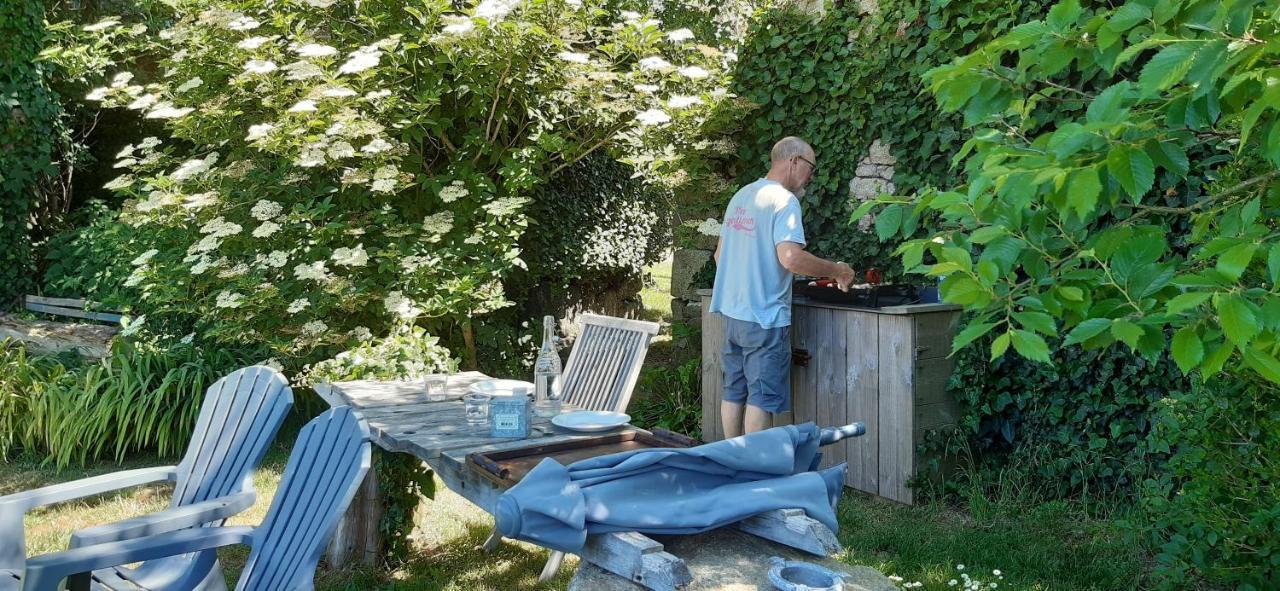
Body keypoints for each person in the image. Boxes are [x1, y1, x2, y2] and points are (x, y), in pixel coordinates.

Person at [709, 136, 856, 438]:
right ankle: (755, 472)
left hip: (733, 313)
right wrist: (837, 270)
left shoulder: (742, 195)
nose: (811, 177)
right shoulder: (784, 201)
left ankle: (733, 462)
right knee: (760, 397)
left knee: (734, 390)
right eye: (811, 168)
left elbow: (719, 255)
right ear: (794, 162)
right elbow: (791, 258)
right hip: (763, 316)